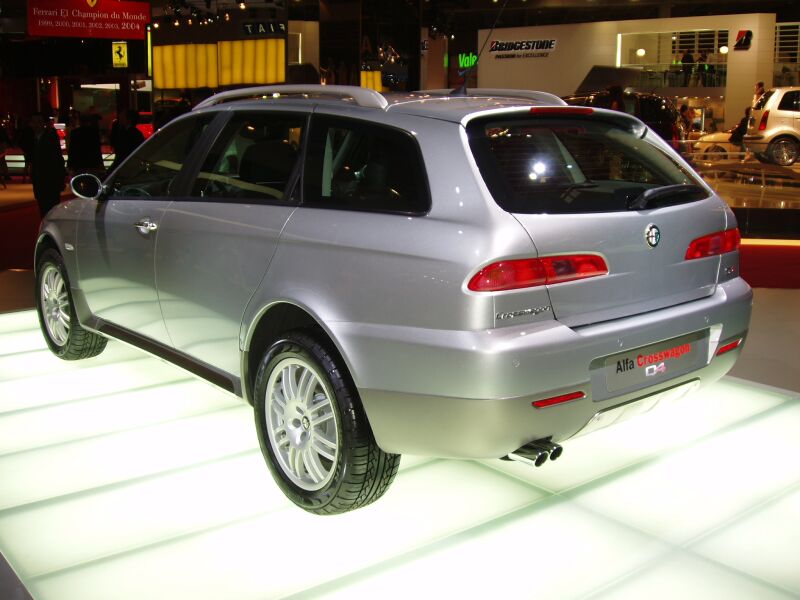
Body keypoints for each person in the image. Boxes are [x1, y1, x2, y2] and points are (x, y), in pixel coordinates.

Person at [29, 113, 66, 217]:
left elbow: (58, 160)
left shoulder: (50, 137)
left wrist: (60, 179)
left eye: (39, 122)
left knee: (52, 211)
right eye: (34, 122)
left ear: (43, 124)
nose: (36, 125)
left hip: (50, 181)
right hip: (39, 182)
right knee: (44, 211)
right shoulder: (33, 139)